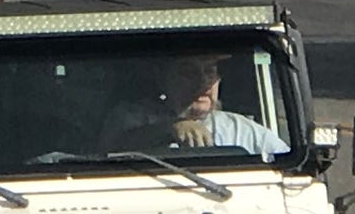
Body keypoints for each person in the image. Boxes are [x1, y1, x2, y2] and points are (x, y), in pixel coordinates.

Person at [120, 55, 286, 159]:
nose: (203, 83)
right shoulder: (134, 117)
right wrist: (170, 129)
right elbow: (111, 152)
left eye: (209, 72)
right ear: (163, 78)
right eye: (188, 73)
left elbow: (289, 165)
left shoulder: (240, 129)